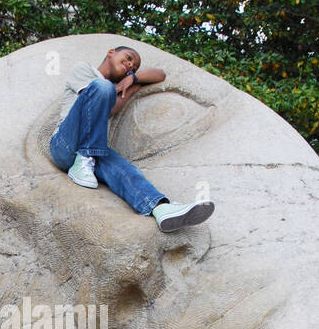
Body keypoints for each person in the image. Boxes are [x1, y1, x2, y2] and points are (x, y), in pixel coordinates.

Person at [49, 45, 215, 233]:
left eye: (134, 66)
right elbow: (101, 99)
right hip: (64, 144)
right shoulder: (85, 70)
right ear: (110, 52)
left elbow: (159, 75)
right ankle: (84, 158)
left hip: (94, 152)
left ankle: (160, 209)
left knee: (127, 170)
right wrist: (120, 88)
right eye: (128, 58)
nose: (130, 64)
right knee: (103, 87)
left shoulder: (118, 87)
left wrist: (133, 80)